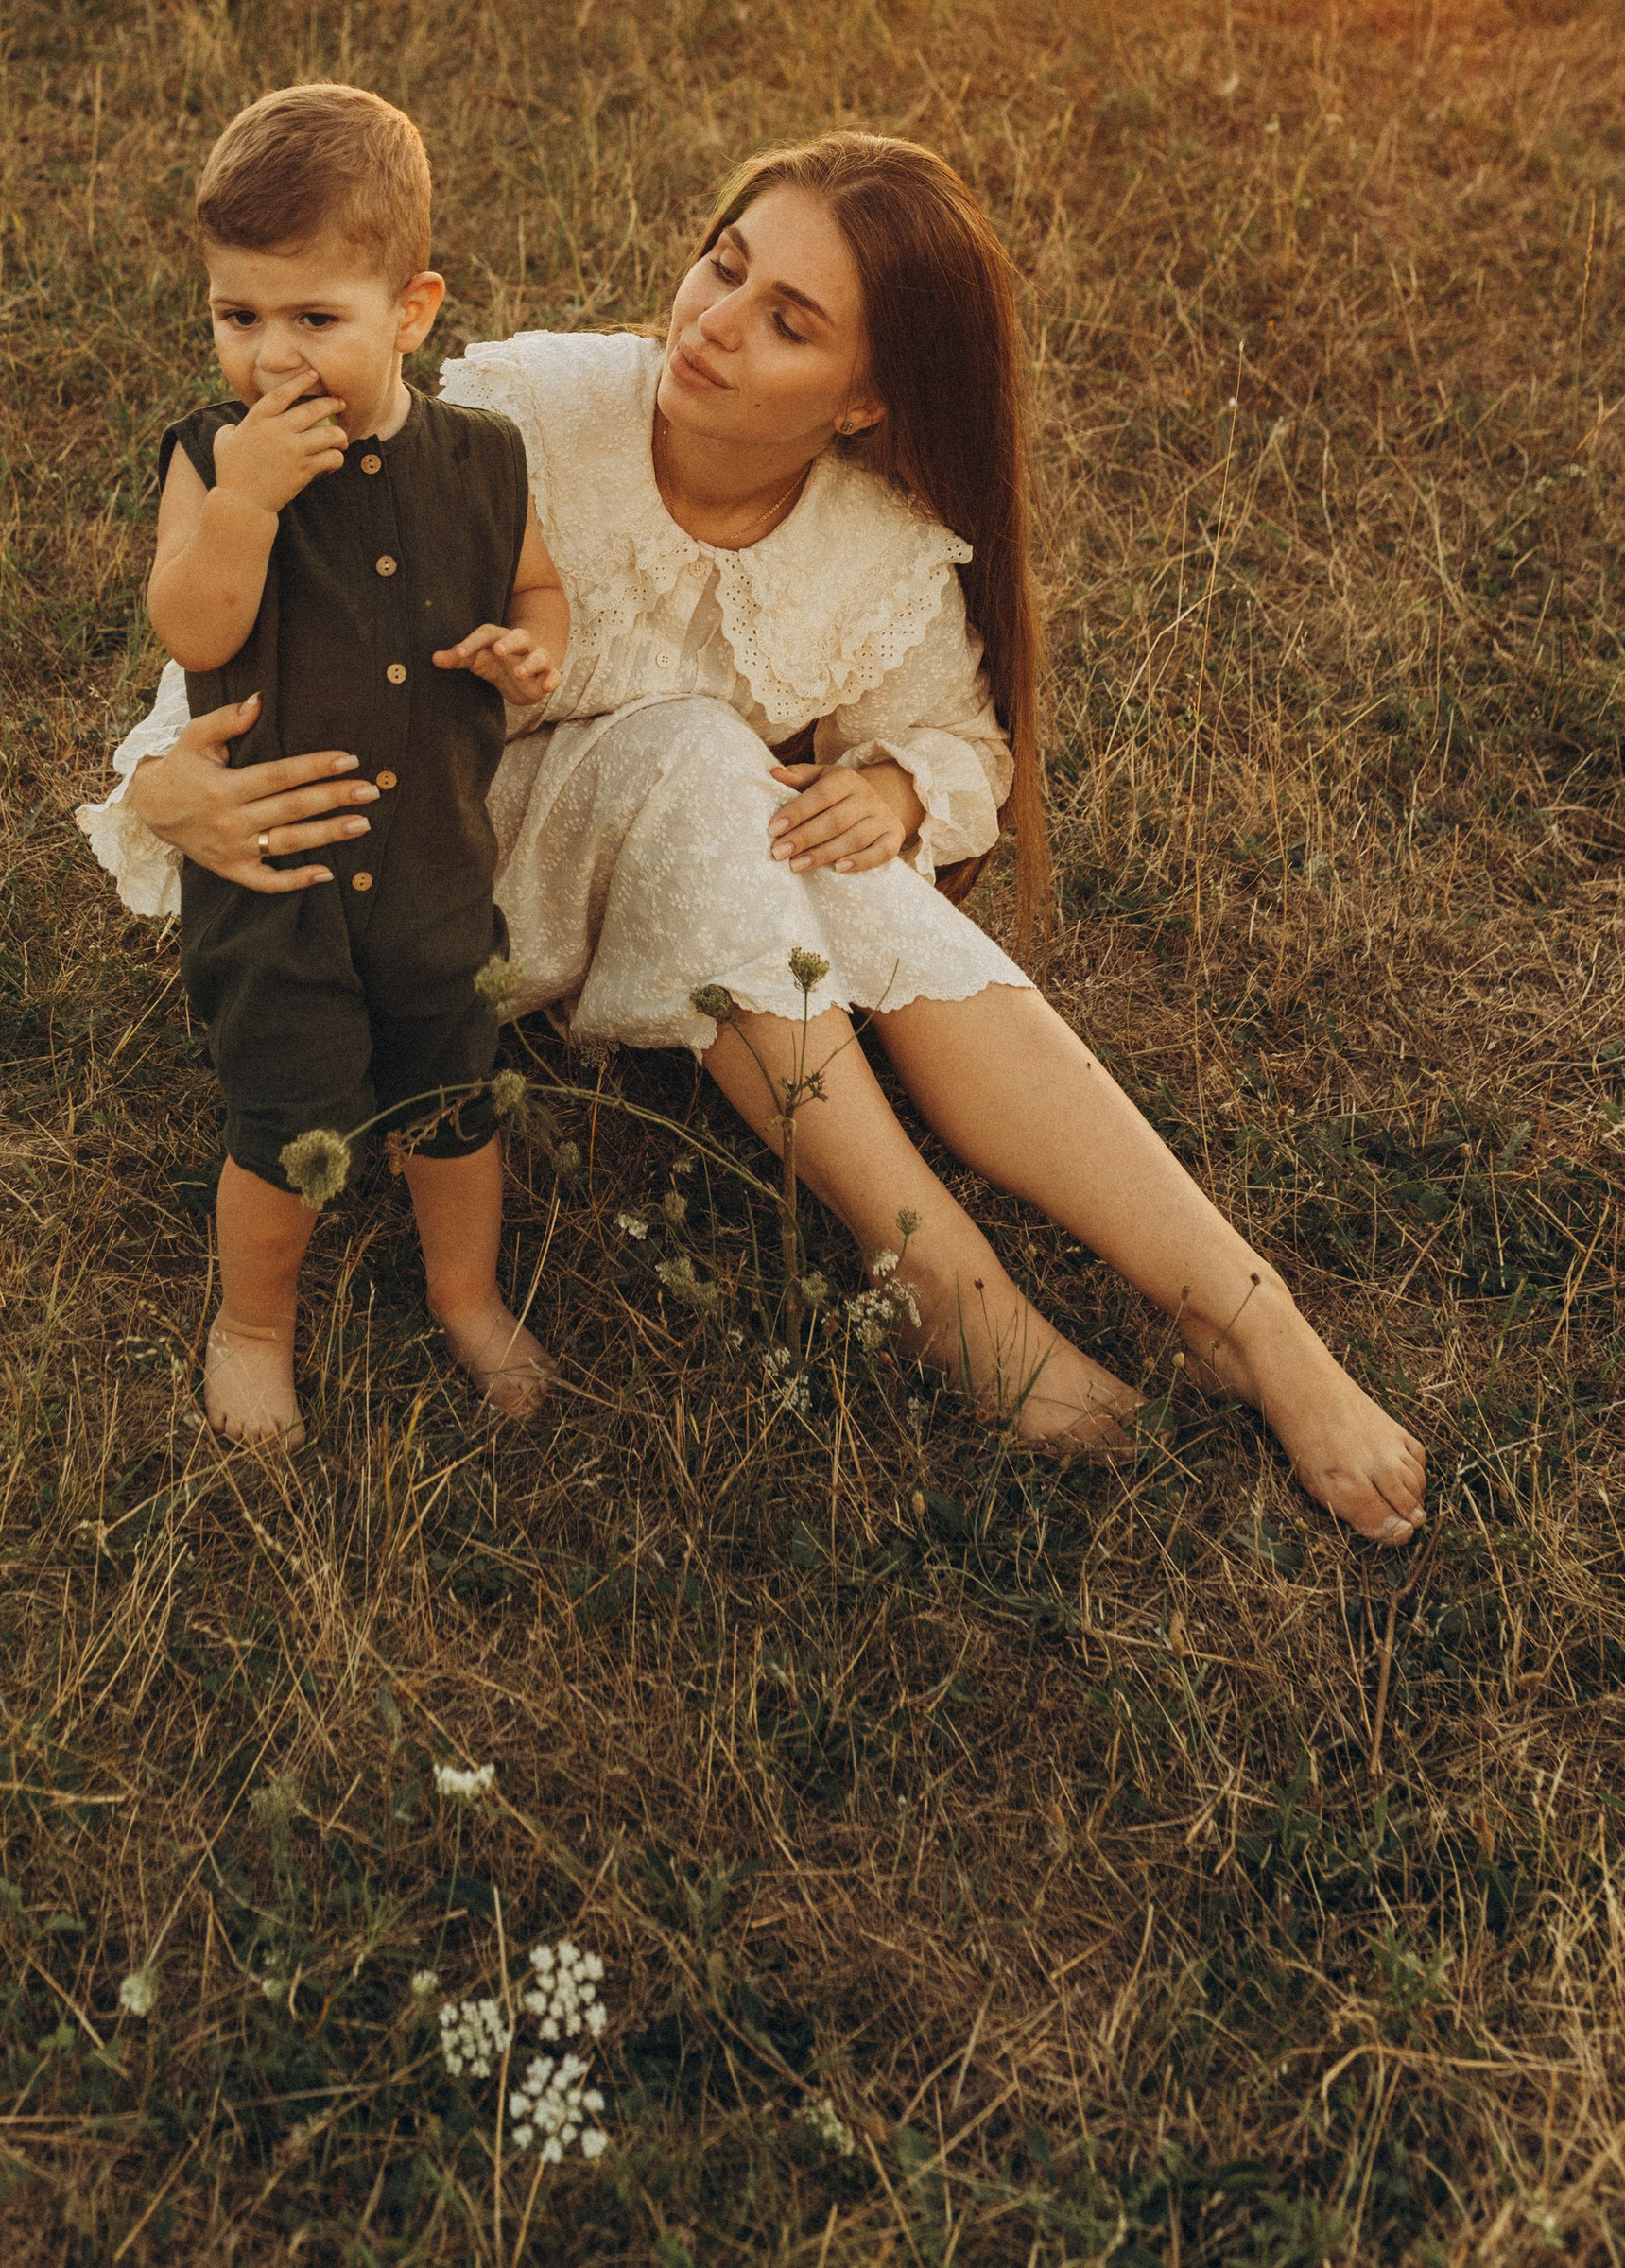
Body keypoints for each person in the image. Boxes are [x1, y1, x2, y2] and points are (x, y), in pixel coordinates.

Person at [84, 129, 1426, 1545]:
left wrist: (904, 793)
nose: (715, 324)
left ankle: (1255, 1320)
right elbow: (263, 634)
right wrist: (159, 780)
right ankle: (951, 1293)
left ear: (862, 403)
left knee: (827, 850)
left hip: (654, 880)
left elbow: (968, 746)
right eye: (723, 267)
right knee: (706, 763)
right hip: (421, 882)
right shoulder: (533, 411)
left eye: (789, 323)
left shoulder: (870, 542)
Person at [85, 81, 568, 1449]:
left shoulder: (484, 461)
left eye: (316, 320)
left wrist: (532, 653)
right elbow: (193, 626)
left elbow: (542, 594)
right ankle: (252, 1327)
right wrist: (245, 500)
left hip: (434, 870)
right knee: (283, 1123)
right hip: (275, 874)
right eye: (239, 318)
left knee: (455, 1107)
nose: (273, 358)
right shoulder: (209, 458)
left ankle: (465, 1297)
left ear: (411, 311)